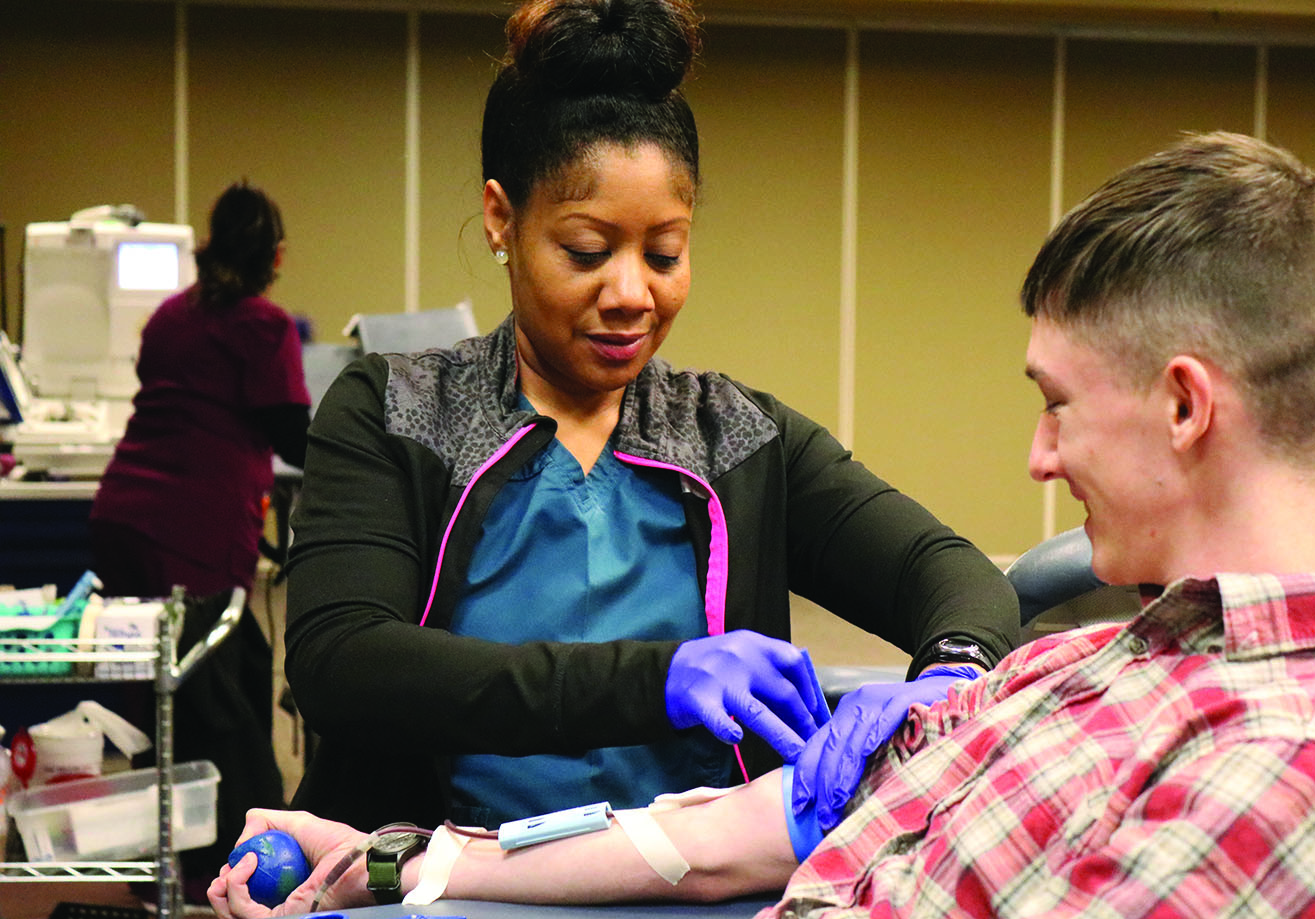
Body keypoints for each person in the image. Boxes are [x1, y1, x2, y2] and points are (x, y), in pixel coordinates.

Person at [213, 132, 1315, 919]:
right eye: (587, 247)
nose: (1036, 460)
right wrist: (392, 858)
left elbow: (939, 581)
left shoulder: (1286, 769)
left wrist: (955, 662)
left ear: (1187, 408)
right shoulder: (1110, 655)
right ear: (503, 222)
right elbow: (717, 838)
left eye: (1056, 406)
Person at [282, 0, 1018, 837]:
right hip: (443, 905)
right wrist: (657, 681)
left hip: (687, 907)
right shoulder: (399, 411)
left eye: (665, 253)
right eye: (587, 252)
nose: (633, 294)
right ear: (501, 219)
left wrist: (948, 679)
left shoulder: (733, 437)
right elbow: (344, 660)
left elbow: (955, 576)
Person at [89, 180, 310, 599]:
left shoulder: (168, 316)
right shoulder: (264, 325)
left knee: (140, 656)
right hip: (195, 530)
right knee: (204, 658)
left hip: (119, 516)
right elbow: (293, 439)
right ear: (276, 255)